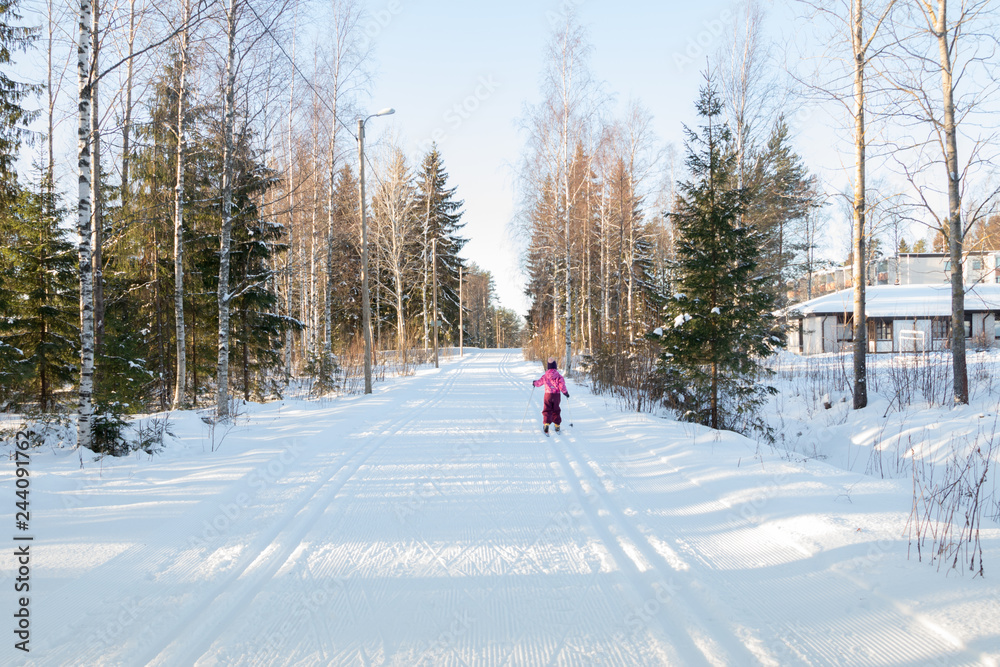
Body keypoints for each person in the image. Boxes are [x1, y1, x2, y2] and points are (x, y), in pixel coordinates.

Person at [532, 357, 569, 434]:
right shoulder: (559, 376)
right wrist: (565, 393)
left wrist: (534, 383)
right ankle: (557, 425)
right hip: (556, 395)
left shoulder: (545, 375)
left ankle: (546, 424)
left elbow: (539, 382)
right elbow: (562, 386)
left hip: (548, 395)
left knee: (547, 409)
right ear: (555, 366)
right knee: (556, 409)